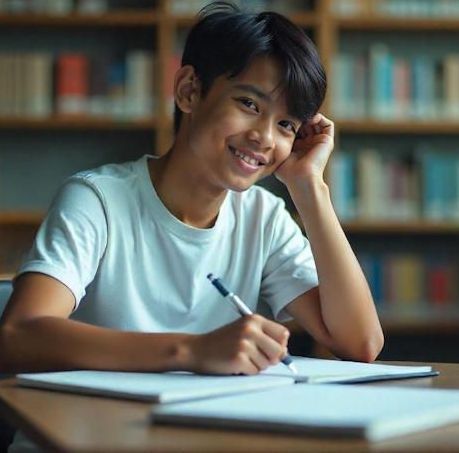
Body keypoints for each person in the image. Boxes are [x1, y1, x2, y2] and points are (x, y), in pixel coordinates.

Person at [0, 1, 383, 378]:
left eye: (286, 125)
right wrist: (191, 350)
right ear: (188, 91)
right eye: (249, 103)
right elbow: (17, 336)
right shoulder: (97, 200)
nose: (264, 137)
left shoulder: (263, 218)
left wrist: (310, 188)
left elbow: (360, 343)